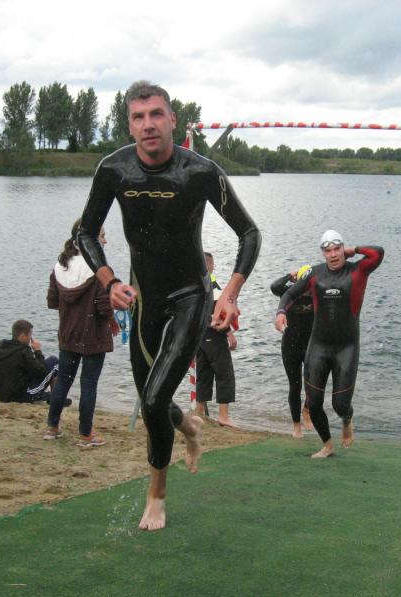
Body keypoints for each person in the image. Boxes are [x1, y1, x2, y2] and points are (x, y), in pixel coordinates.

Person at [77, 80, 260, 531]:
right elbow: (85, 233)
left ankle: (156, 494)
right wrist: (109, 281)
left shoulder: (199, 172)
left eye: (156, 114)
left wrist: (229, 293)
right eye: (138, 117)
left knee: (156, 397)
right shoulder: (113, 170)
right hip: (144, 297)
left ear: (172, 120)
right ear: (129, 125)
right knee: (151, 400)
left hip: (191, 296)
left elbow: (249, 233)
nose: (148, 125)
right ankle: (190, 427)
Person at [275, 230, 383, 458]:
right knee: (313, 403)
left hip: (347, 348)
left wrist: (353, 250)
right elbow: (288, 294)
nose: (333, 254)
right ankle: (327, 445)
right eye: (328, 250)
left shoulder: (358, 270)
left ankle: (347, 419)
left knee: (340, 405)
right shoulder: (315, 273)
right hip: (318, 346)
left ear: (343, 248)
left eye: (337, 249)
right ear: (323, 253)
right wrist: (281, 312)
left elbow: (377, 253)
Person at [44, 220, 116, 447]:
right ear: (89, 240)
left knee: (63, 381)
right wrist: (114, 317)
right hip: (93, 334)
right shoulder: (100, 271)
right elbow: (104, 307)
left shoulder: (60, 266)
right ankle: (86, 434)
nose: (105, 241)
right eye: (102, 236)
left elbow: (53, 301)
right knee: (88, 384)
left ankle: (52, 427)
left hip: (68, 333)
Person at [270, 264, 315, 438]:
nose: (307, 289)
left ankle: (307, 410)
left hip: (311, 345)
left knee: (314, 384)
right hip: (291, 345)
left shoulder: (317, 292)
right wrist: (290, 275)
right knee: (295, 386)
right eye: (304, 284)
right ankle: (296, 425)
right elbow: (274, 286)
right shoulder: (288, 292)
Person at [195, 252, 239, 428]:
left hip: (199, 336)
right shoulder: (211, 283)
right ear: (208, 264)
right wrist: (230, 335)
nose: (214, 267)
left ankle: (199, 413)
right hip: (214, 333)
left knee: (203, 375)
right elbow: (217, 313)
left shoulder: (194, 283)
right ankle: (223, 416)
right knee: (224, 374)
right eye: (212, 263)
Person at [0, 320, 64, 404]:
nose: (30, 339)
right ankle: (56, 399)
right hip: (17, 396)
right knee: (54, 362)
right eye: (30, 335)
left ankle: (52, 397)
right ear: (23, 336)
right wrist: (38, 351)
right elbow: (42, 372)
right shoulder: (23, 351)